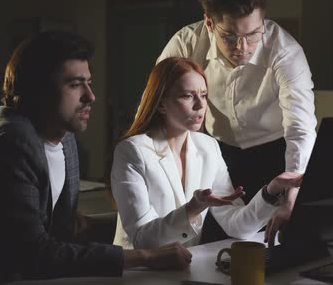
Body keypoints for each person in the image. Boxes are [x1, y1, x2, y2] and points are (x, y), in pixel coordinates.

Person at [0, 31, 191, 284]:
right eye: (74, 85)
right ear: (38, 89)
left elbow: (67, 229)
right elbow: (35, 254)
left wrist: (148, 224)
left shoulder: (63, 136)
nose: (90, 96)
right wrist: (146, 257)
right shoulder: (10, 143)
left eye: (89, 83)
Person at [156, 0, 317, 243]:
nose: (242, 47)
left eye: (253, 35)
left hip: (277, 153)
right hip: (217, 151)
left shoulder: (285, 51)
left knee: (278, 246)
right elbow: (155, 102)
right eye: (230, 36)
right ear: (209, 22)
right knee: (213, 245)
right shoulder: (186, 43)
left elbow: (300, 129)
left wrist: (291, 197)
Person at [110, 57, 302, 249]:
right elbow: (144, 239)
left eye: (203, 95)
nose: (200, 105)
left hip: (186, 267)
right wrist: (193, 208)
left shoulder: (208, 147)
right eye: (187, 96)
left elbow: (237, 225)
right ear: (161, 104)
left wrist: (271, 192)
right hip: (138, 272)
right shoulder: (132, 151)